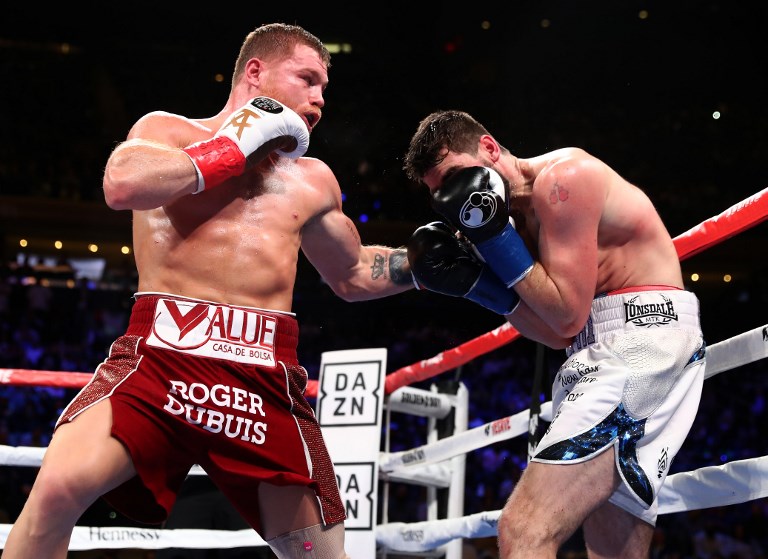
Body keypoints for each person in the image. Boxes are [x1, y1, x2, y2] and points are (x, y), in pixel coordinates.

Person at [3, 23, 415, 559]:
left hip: (261, 374)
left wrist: (431, 262)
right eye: (307, 78)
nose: (318, 98)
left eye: (324, 89)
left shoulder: (313, 179)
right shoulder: (168, 132)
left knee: (318, 552)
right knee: (55, 492)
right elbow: (122, 185)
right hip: (160, 360)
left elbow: (355, 272)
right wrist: (229, 149)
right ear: (255, 72)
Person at [404, 110, 706, 559]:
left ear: (489, 148)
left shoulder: (565, 179)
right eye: (441, 194)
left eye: (455, 178)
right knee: (612, 545)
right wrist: (474, 283)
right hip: (599, 349)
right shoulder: (509, 223)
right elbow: (556, 334)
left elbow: (565, 318)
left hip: (644, 340)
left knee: (524, 528)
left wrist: (492, 243)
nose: (454, 199)